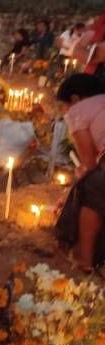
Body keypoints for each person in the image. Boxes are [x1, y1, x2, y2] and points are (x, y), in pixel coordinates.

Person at [55, 74, 105, 271]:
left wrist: (76, 184)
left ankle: (84, 256)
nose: (64, 112)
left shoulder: (78, 111)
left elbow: (89, 164)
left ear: (74, 99)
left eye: (62, 107)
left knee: (91, 188)